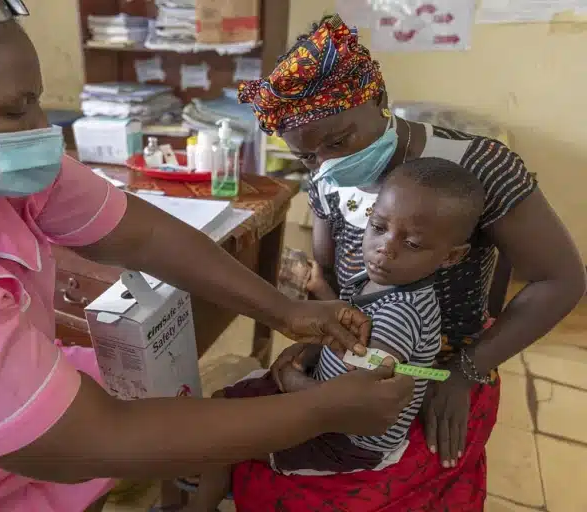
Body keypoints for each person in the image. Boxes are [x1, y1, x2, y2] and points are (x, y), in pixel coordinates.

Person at [0, 2, 417, 511]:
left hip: (16, 405)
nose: (42, 129)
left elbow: (136, 232)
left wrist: (282, 309)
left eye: (36, 101)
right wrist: (323, 412)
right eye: (15, 110)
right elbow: (91, 440)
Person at [227, 13, 586, 511]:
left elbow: (561, 279)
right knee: (240, 441)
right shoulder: (327, 180)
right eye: (307, 157)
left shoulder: (478, 166)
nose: (327, 164)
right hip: (347, 367)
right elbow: (330, 281)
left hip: (444, 374)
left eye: (339, 140)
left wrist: (465, 371)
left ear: (378, 100)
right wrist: (317, 355)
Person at [185, 158, 486, 512]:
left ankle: (197, 505)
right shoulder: (380, 278)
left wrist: (294, 383)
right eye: (379, 226)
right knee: (224, 403)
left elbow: (362, 399)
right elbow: (349, 339)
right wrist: (309, 350)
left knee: (227, 439)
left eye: (414, 244)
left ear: (452, 256)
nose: (386, 247)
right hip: (323, 399)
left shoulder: (400, 314)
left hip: (345, 439)